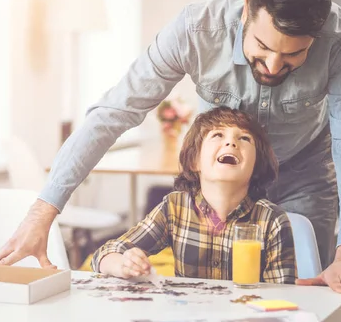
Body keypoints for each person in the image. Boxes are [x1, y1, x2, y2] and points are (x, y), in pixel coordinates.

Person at [0, 0, 341, 312]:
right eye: (262, 47)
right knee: (212, 296)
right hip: (216, 191)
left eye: (293, 56)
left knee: (303, 302)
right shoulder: (195, 30)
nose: (274, 66)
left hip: (303, 174)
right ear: (247, 9)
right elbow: (114, 112)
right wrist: (42, 213)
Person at [91, 107, 296, 284]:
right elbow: (105, 253)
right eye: (218, 135)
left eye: (244, 138)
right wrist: (122, 264)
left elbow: (280, 297)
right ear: (193, 162)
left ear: (256, 166)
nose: (231, 143)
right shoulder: (174, 207)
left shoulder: (272, 221)